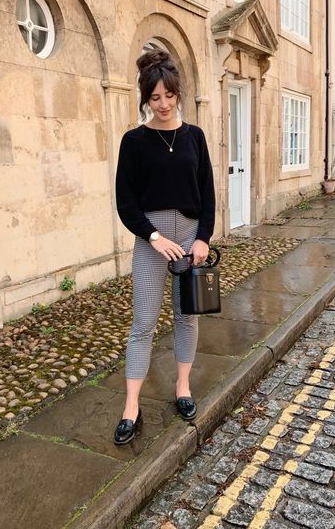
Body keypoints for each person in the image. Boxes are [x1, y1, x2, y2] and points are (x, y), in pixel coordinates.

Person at [113, 48, 216, 445]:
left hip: (190, 238)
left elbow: (207, 192)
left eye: (169, 96)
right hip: (151, 240)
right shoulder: (134, 142)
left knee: (187, 317)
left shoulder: (195, 137)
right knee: (143, 323)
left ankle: (183, 387)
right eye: (154, 98)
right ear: (145, 99)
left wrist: (203, 238)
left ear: (178, 93)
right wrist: (154, 237)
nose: (163, 104)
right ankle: (131, 407)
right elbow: (126, 202)